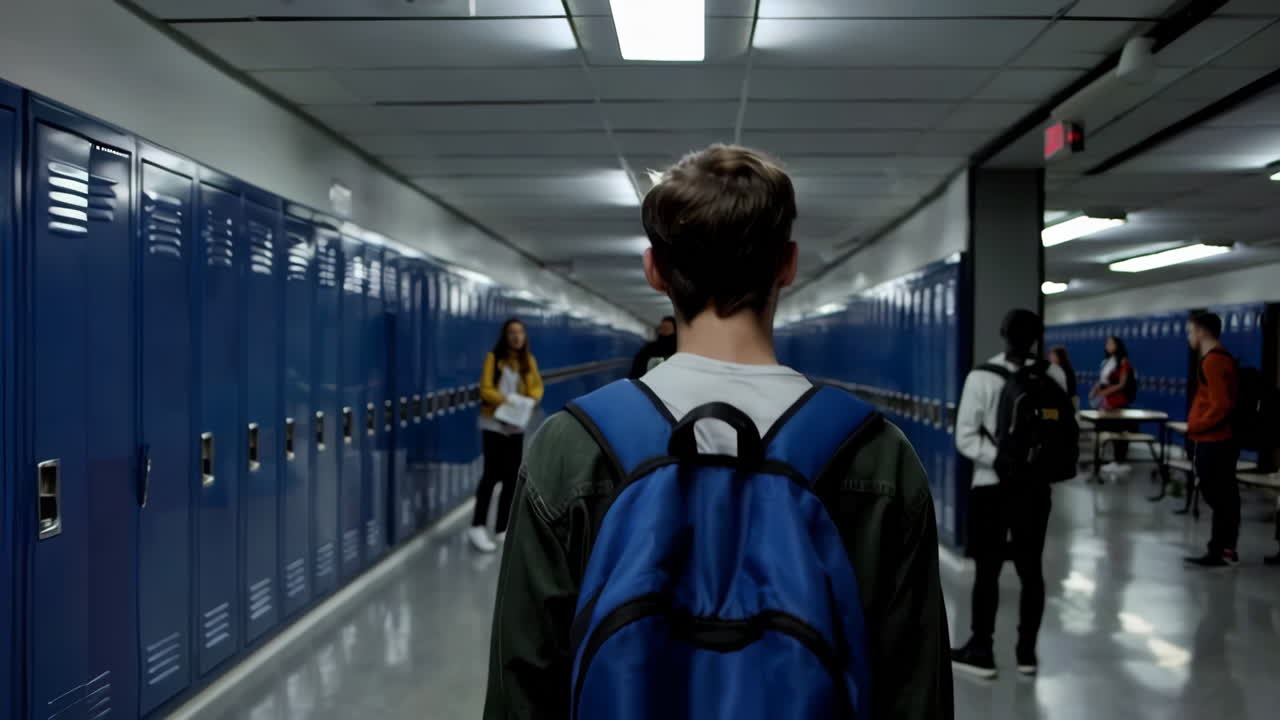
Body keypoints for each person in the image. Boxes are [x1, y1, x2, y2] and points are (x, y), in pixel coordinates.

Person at [484, 145, 953, 720]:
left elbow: (522, 689)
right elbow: (914, 693)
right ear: (788, 264)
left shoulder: (572, 446)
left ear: (654, 270)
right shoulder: (876, 454)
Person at [951, 309, 1069, 679]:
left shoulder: (982, 376)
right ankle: (1026, 655)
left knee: (986, 570)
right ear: (1037, 337)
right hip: (1035, 489)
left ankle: (981, 649)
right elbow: (1064, 430)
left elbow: (965, 437)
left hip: (991, 488)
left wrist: (998, 459)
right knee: (1031, 570)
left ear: (1002, 333)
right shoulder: (1054, 374)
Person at [468, 318, 543, 553]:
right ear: (505, 336)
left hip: (516, 427)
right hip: (494, 424)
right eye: (512, 332)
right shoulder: (494, 359)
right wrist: (508, 401)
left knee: (511, 477)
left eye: (520, 332)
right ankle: (477, 525)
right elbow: (485, 389)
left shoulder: (528, 362)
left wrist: (530, 400)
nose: (517, 336)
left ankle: (502, 527)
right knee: (491, 475)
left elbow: (537, 388)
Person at [1184, 312, 1241, 567]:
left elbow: (1221, 404)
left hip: (1216, 440)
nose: (1189, 336)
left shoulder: (1214, 362)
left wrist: (1196, 425)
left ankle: (1222, 550)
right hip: (1214, 438)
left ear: (1202, 331)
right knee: (1220, 494)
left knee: (1219, 495)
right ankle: (1223, 548)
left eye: (1190, 331)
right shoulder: (1214, 359)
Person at [1089, 335, 1137, 474]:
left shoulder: (1123, 362)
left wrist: (1106, 392)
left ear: (1118, 345)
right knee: (1108, 430)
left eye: (1111, 343)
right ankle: (1111, 460)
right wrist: (1095, 390)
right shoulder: (1106, 362)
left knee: (1119, 432)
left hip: (1118, 401)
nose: (1108, 345)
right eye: (1107, 343)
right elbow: (1102, 381)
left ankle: (1119, 460)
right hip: (1106, 402)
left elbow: (1122, 384)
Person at [1049, 345, 1079, 410]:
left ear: (1059, 357)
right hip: (1057, 406)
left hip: (1064, 407)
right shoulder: (1053, 370)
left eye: (1053, 355)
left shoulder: (1066, 371)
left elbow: (1068, 392)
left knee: (1045, 415)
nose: (1050, 357)